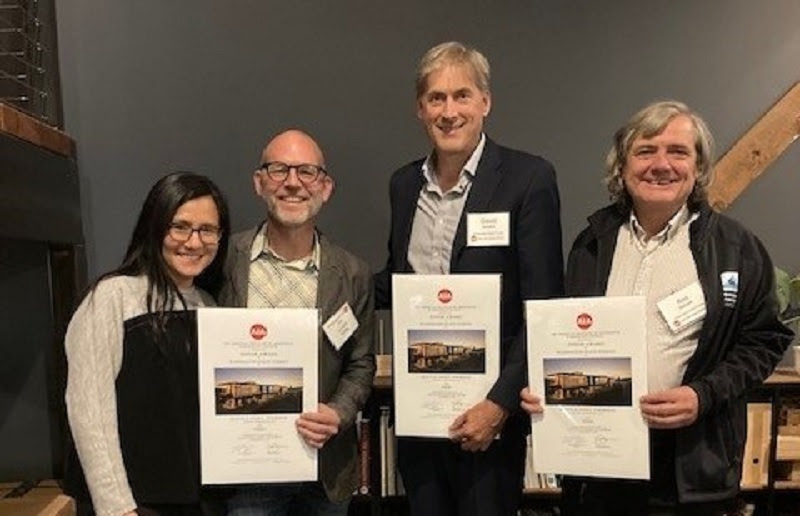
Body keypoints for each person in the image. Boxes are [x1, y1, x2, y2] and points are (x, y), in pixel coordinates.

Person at [521, 100, 794, 515]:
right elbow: (571, 338)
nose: (661, 164)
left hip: (689, 468)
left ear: (698, 167)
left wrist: (702, 395)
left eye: (678, 152)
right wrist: (547, 388)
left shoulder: (735, 247)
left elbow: (764, 340)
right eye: (646, 151)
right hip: (600, 466)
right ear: (623, 165)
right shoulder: (591, 243)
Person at [374, 41, 564, 516]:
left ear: (485, 102)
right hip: (421, 413)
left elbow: (542, 307)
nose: (449, 110)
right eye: (436, 98)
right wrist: (329, 284)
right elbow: (398, 282)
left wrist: (500, 405)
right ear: (420, 109)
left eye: (462, 95)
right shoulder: (404, 185)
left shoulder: (527, 178)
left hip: (488, 418)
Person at [220, 129, 375, 515]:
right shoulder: (223, 260)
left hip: (323, 470)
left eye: (307, 172)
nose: (292, 183)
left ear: (326, 187)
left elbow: (361, 363)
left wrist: (338, 413)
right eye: (278, 170)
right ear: (259, 182)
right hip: (245, 472)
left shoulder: (353, 273)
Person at [63, 172, 231, 516]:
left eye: (207, 230)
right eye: (180, 226)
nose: (194, 242)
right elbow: (89, 408)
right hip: (134, 503)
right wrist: (116, 506)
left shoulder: (209, 306)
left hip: (197, 500)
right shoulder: (112, 298)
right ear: (154, 227)